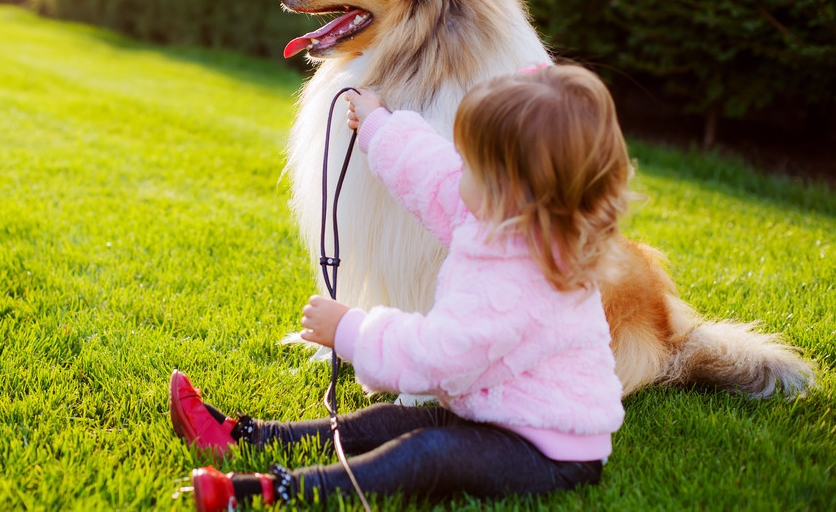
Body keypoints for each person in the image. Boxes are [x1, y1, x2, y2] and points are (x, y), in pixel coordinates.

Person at [171, 64, 630, 511]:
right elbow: (435, 177)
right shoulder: (504, 216)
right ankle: (242, 437)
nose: (459, 167)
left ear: (508, 188)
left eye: (471, 162)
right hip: (502, 411)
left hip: (551, 451)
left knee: (428, 453)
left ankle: (267, 492)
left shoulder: (519, 279)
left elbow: (441, 355)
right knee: (387, 421)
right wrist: (378, 126)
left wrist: (351, 331)